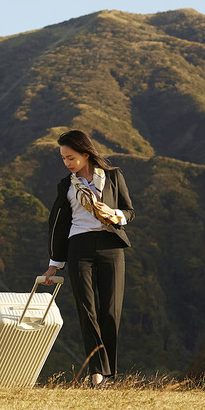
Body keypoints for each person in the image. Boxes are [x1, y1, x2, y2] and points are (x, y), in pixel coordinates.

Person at [42, 130, 135, 387]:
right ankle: (97, 373)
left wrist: (114, 213)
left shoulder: (114, 177)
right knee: (87, 311)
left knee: (111, 311)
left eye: (71, 157)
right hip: (79, 247)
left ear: (85, 154)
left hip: (111, 246)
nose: (67, 163)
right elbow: (58, 225)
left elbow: (129, 211)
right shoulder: (67, 186)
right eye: (63, 159)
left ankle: (107, 372)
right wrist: (54, 263)